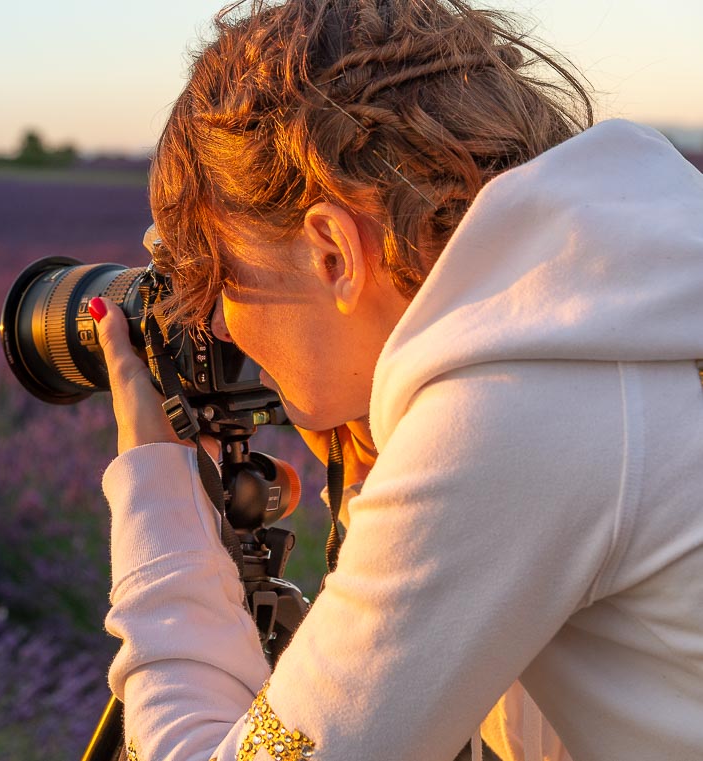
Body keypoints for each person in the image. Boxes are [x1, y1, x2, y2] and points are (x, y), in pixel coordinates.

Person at [85, 0, 703, 759]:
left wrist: (160, 496)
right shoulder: (634, 310)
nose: (213, 327)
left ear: (332, 252)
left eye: (218, 279)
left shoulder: (505, 414)